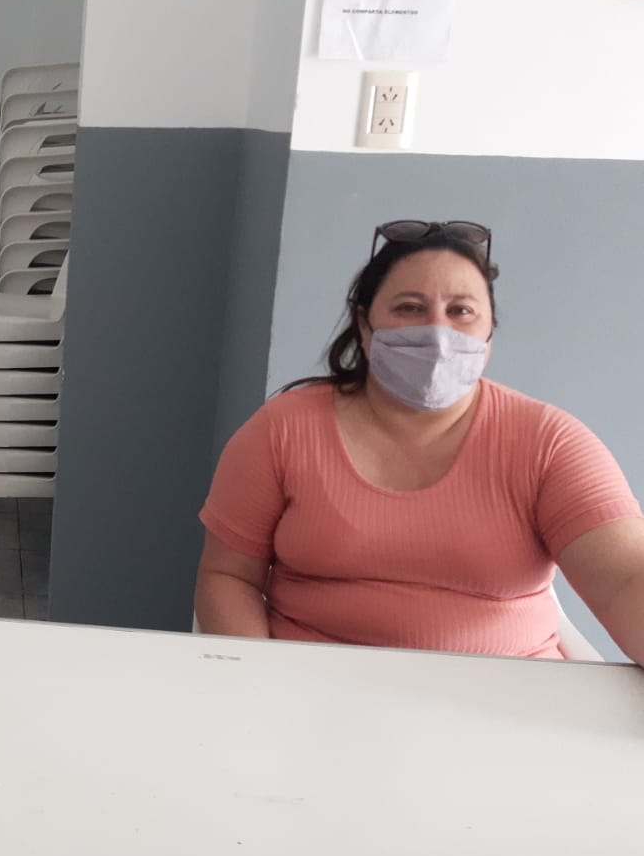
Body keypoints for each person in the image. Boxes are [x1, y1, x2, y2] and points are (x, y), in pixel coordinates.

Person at [196, 219, 644, 661]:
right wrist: (255, 680)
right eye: (409, 308)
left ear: (490, 331)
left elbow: (624, 579)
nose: (437, 332)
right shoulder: (282, 430)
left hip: (508, 693)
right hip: (311, 688)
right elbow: (228, 577)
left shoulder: (550, 443)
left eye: (461, 311)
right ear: (365, 325)